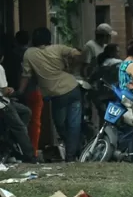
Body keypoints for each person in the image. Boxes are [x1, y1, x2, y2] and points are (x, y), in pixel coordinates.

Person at [18, 28, 83, 161]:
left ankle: (72, 153)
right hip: (73, 88)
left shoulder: (29, 53)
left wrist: (19, 91)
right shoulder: (58, 48)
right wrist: (72, 68)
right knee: (73, 125)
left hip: (57, 95)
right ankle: (73, 154)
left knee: (60, 125)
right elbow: (77, 53)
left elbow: (26, 75)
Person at [0, 50, 35, 163]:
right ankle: (29, 155)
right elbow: (4, 90)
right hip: (3, 104)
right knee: (20, 128)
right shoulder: (0, 68)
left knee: (25, 112)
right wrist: (11, 90)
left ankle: (11, 141)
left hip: (4, 101)